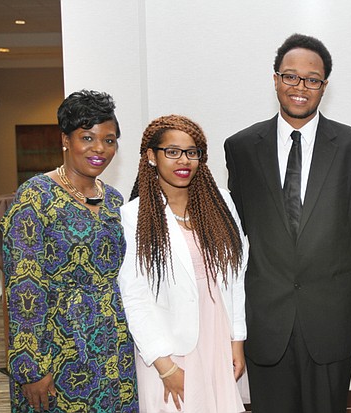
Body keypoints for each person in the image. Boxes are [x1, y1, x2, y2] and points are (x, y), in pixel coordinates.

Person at [224, 33, 351, 413]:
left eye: (312, 79)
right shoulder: (240, 148)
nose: (300, 87)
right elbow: (236, 237)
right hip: (267, 320)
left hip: (332, 319)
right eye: (290, 76)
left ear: (324, 86)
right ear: (275, 79)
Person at [1, 90, 138, 412]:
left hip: (117, 347)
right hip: (58, 348)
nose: (99, 149)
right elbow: (24, 287)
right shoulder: (35, 198)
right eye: (87, 138)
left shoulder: (116, 201)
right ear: (65, 139)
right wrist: (30, 367)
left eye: (109, 140)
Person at [119, 115, 248, 413]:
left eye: (192, 152)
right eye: (172, 151)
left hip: (217, 336)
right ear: (151, 156)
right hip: (169, 346)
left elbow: (236, 275)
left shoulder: (222, 203)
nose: (184, 160)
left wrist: (237, 339)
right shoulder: (133, 216)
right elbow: (134, 297)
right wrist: (165, 367)